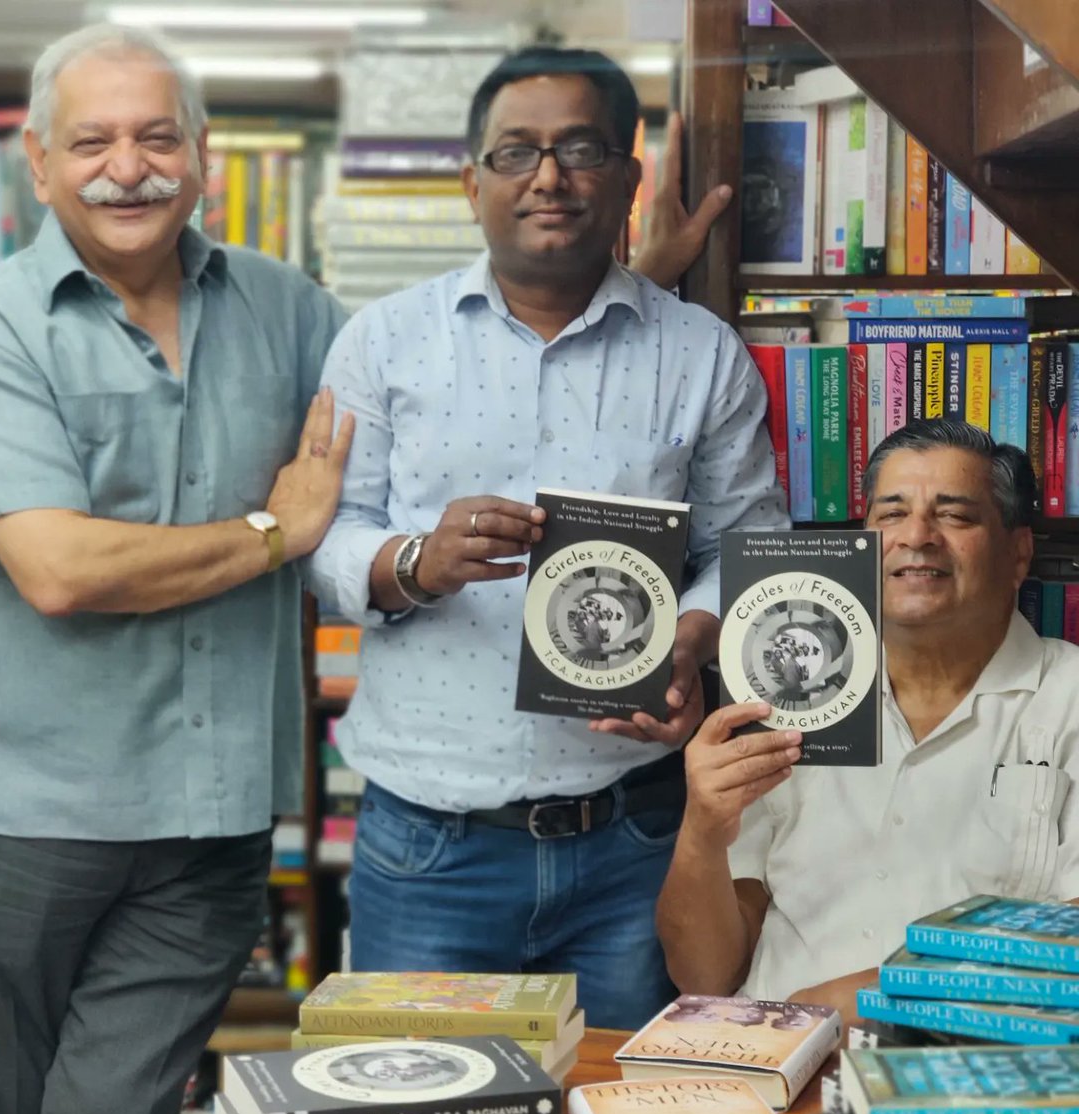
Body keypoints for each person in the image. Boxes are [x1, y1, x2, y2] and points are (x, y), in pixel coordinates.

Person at [0, 24, 355, 1114]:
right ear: (40, 168)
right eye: (91, 141)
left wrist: (637, 277)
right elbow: (57, 567)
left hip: (212, 818)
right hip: (21, 815)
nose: (128, 166)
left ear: (202, 155)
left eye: (157, 136)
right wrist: (271, 534)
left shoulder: (290, 309)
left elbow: (424, 411)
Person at [307, 44, 788, 1030]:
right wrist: (412, 562)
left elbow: (751, 549)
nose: (549, 177)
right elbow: (325, 540)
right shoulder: (383, 340)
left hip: (633, 840)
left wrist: (691, 641)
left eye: (582, 149)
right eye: (516, 152)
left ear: (629, 177)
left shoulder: (699, 355)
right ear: (470, 182)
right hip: (430, 846)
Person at [656, 420, 1079, 1023]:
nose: (917, 537)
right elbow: (703, 975)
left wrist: (862, 999)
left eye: (955, 516)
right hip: (773, 1059)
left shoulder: (1069, 699)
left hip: (968, 1073)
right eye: (891, 514)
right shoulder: (783, 693)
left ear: (1018, 554)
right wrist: (703, 826)